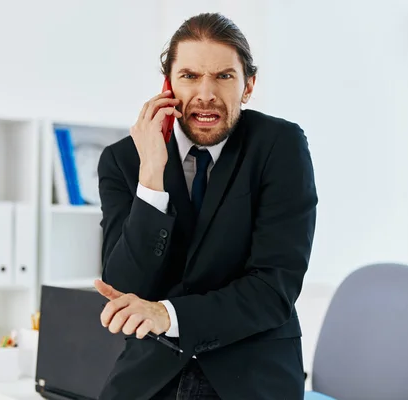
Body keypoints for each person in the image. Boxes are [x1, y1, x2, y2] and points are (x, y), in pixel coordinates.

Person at [94, 12, 317, 400]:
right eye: (190, 76)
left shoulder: (280, 147)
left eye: (224, 76)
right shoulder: (124, 160)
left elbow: (273, 289)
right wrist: (151, 179)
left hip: (250, 372)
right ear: (168, 85)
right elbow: (124, 288)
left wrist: (168, 314)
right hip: (152, 374)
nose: (206, 93)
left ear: (248, 86)